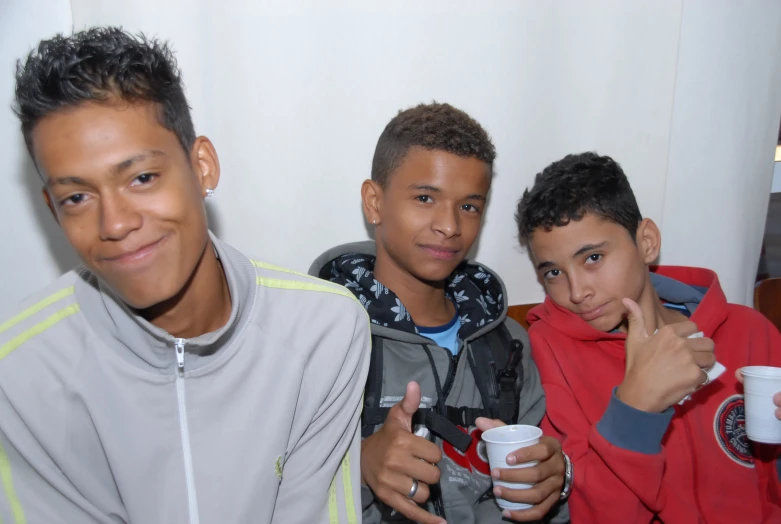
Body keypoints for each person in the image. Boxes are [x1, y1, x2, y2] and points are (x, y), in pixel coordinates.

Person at [0, 27, 369, 524]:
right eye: (77, 197)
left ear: (202, 167)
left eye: (142, 178)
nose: (116, 224)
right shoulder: (20, 370)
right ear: (52, 208)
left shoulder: (322, 328)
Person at [310, 102, 571, 524]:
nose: (450, 225)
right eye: (425, 197)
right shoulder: (321, 336)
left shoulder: (507, 343)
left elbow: (538, 488)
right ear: (374, 202)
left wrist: (555, 481)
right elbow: (271, 486)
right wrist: (357, 466)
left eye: (469, 206)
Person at [515, 151, 781, 523]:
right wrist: (635, 407)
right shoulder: (549, 350)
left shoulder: (750, 332)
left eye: (592, 258)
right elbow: (595, 513)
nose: (577, 292)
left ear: (647, 242)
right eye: (554, 273)